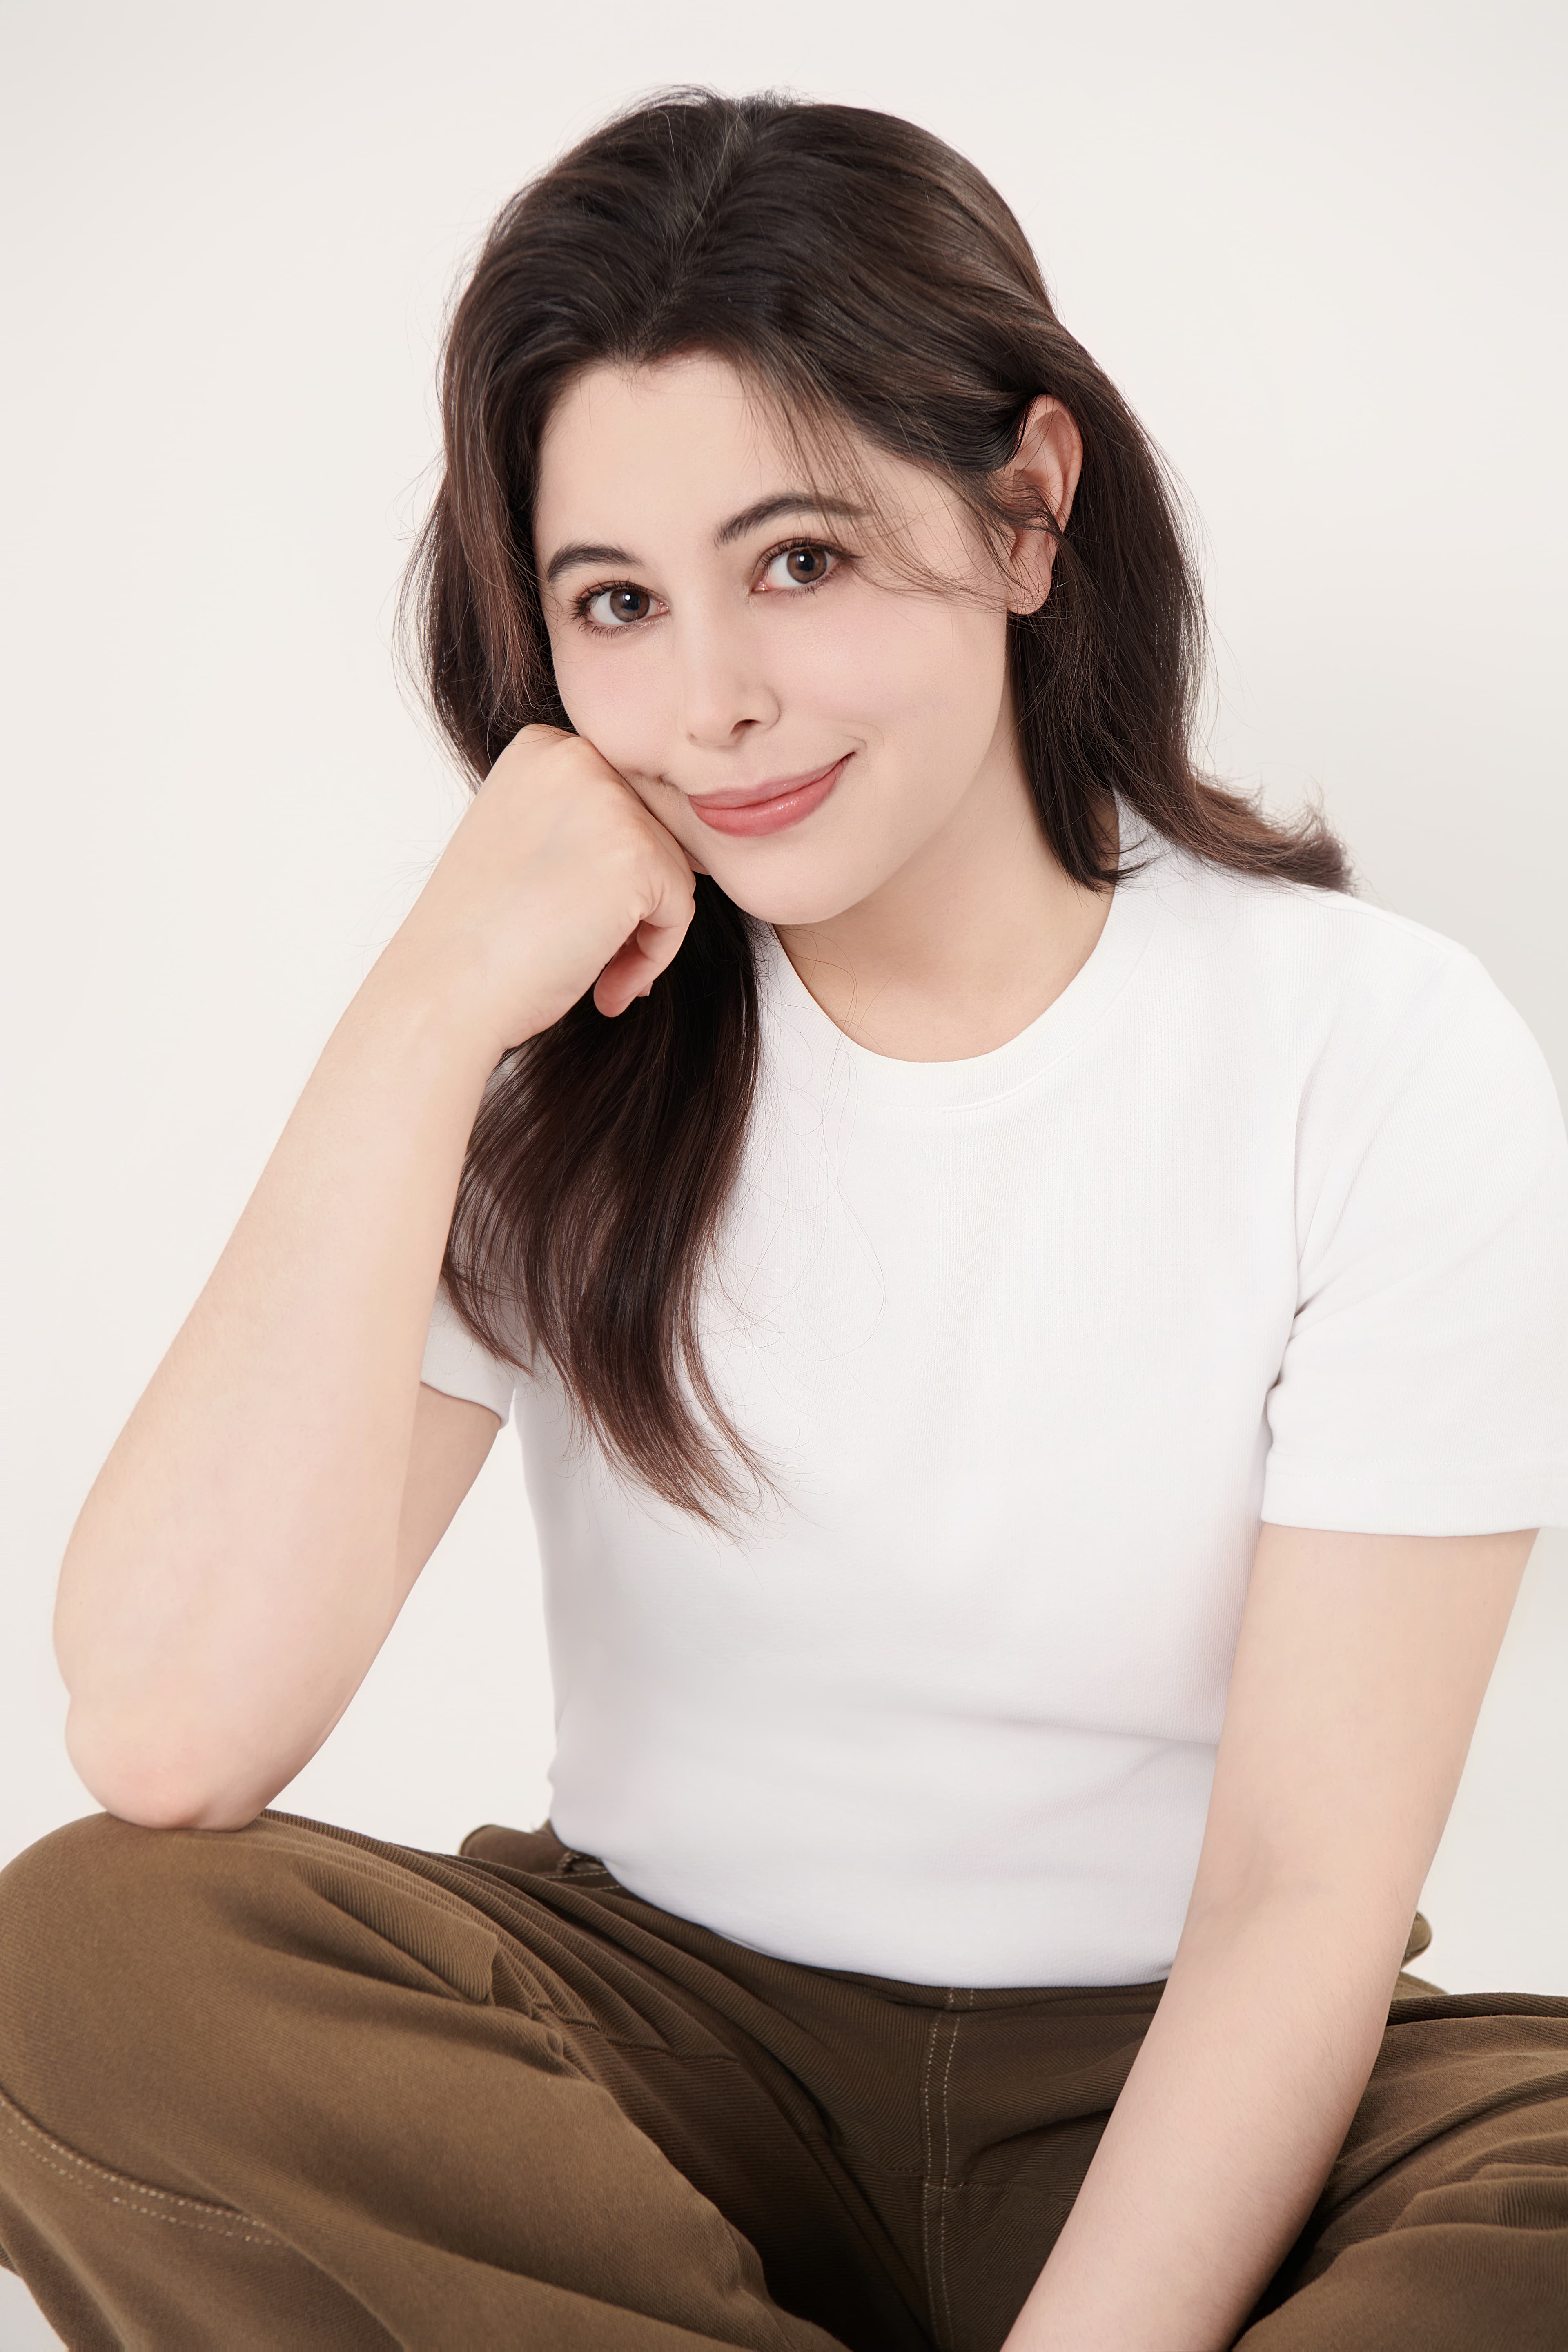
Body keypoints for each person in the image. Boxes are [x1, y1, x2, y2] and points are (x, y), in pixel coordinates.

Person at [1, 85, 1566, 2352]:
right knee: (94, 1968)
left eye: (801, 560)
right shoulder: (563, 1065)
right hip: (656, 2078)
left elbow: (1307, 1898)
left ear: (1029, 511)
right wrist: (432, 1000)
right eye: (615, 603)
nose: (711, 697)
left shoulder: (1377, 1052)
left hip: (1185, 2072)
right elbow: (168, 1738)